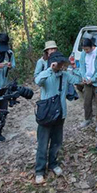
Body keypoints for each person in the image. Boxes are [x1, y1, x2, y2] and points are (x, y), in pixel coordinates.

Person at [34, 51, 82, 184]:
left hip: (60, 114)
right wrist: (50, 69)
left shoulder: (65, 75)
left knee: (57, 142)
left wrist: (75, 67)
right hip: (46, 115)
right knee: (42, 144)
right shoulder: (47, 75)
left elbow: (79, 80)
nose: (61, 65)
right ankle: (39, 170)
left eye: (62, 63)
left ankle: (53, 164)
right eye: (59, 63)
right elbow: (37, 81)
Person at [77, 36, 97, 130]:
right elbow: (82, 66)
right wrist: (83, 76)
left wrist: (94, 79)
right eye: (84, 49)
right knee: (87, 101)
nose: (85, 51)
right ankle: (88, 119)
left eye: (87, 49)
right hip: (87, 81)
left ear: (92, 46)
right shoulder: (84, 53)